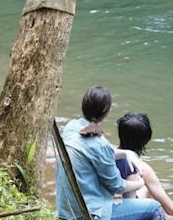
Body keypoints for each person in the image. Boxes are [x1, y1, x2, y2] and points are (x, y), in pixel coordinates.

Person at [56, 85, 165, 220]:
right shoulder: (100, 145)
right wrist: (142, 183)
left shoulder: (71, 128)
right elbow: (117, 186)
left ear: (83, 106)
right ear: (107, 112)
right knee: (155, 208)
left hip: (67, 210)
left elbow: (91, 151)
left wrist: (124, 153)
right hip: (90, 213)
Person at [116, 113, 173, 220]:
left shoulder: (108, 155)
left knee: (146, 189)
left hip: (111, 208)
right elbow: (171, 210)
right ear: (145, 139)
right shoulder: (142, 168)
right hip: (127, 214)